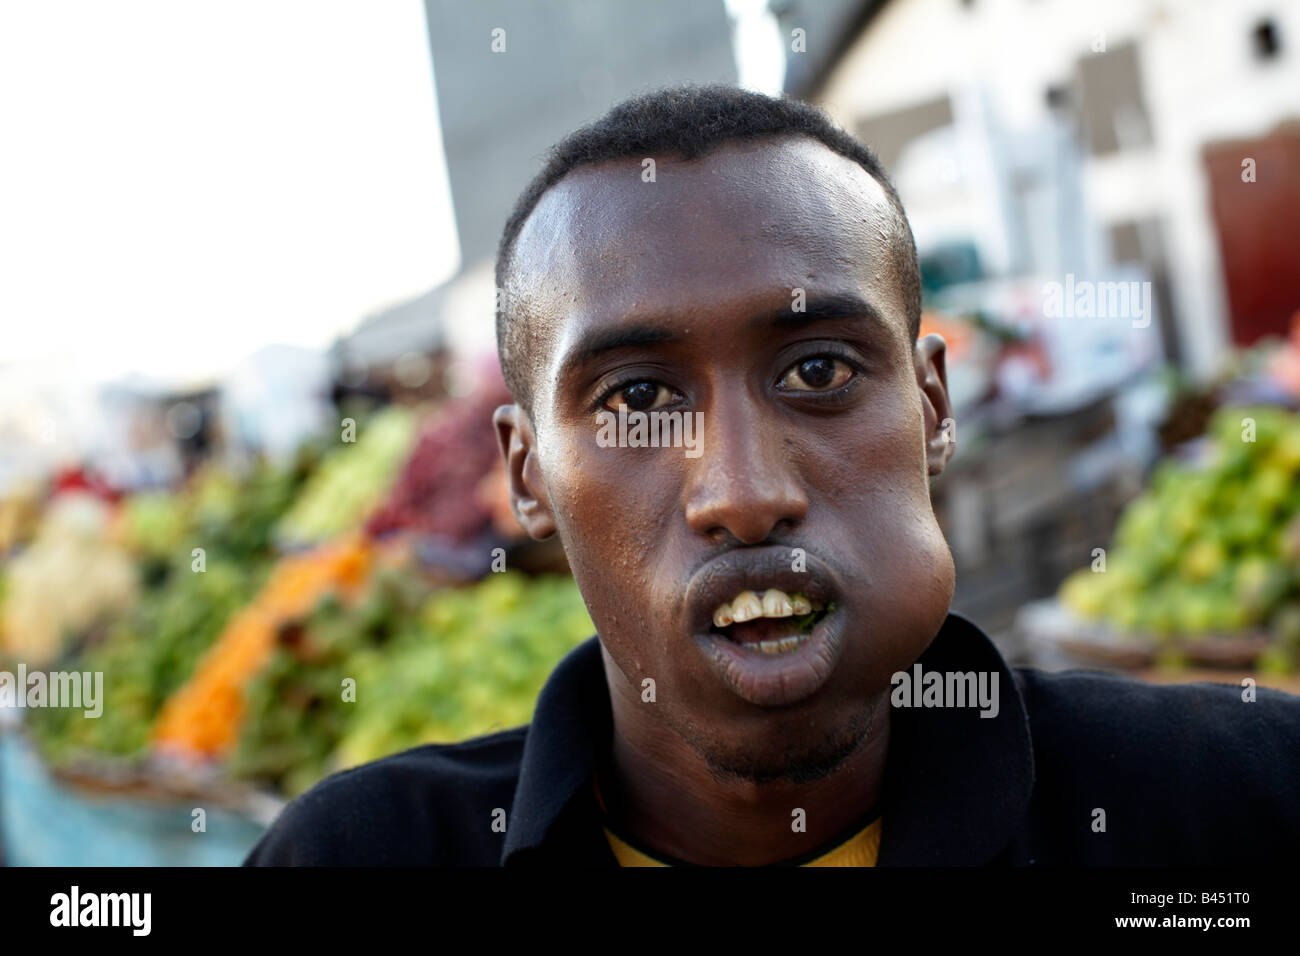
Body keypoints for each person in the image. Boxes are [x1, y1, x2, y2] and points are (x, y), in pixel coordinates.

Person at [246, 85, 1300, 866]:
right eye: (637, 399)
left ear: (931, 407)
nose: (743, 492)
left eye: (818, 370)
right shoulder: (354, 857)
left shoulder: (1234, 807)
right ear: (527, 477)